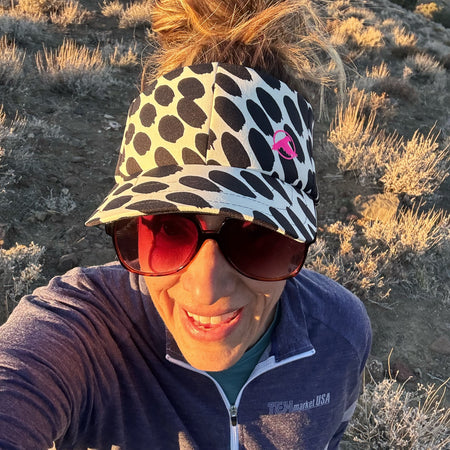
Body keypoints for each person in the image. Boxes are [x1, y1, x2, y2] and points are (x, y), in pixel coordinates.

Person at [0, 0, 371, 448]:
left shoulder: (340, 336)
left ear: (298, 238)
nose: (206, 288)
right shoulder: (86, 335)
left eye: (257, 237)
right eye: (169, 231)